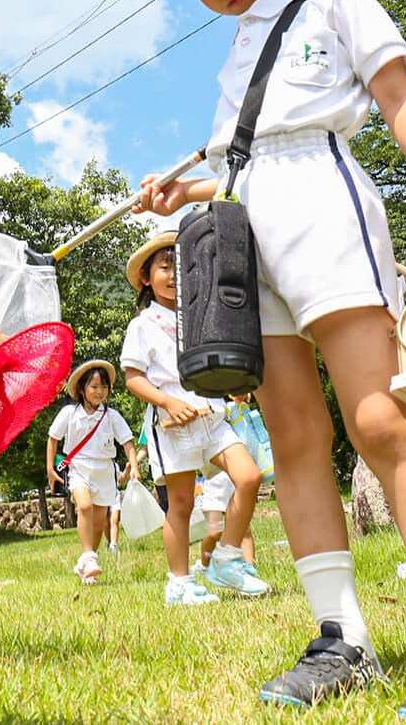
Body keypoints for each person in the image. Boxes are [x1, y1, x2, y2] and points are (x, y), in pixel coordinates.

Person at [124, 0, 406, 718]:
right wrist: (182, 190)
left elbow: (397, 94)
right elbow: (238, 158)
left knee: (377, 415)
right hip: (246, 228)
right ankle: (341, 637)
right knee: (290, 432)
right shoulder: (233, 53)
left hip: (324, 204)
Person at [120, 231, 268, 605]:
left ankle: (228, 558)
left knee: (249, 477)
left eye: (179, 268)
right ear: (146, 278)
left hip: (212, 416)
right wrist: (168, 403)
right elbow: (133, 378)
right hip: (173, 427)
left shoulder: (199, 314)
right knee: (182, 504)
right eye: (164, 268)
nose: (173, 276)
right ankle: (179, 583)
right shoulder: (142, 325)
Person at [45, 360, 139, 584]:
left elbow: (127, 442)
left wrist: (134, 466)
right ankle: (88, 556)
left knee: (98, 524)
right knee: (84, 506)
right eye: (94, 386)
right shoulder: (69, 413)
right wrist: (50, 469)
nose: (99, 391)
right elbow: (53, 439)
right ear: (81, 389)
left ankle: (87, 564)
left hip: (104, 471)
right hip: (79, 467)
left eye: (103, 387)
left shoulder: (111, 416)